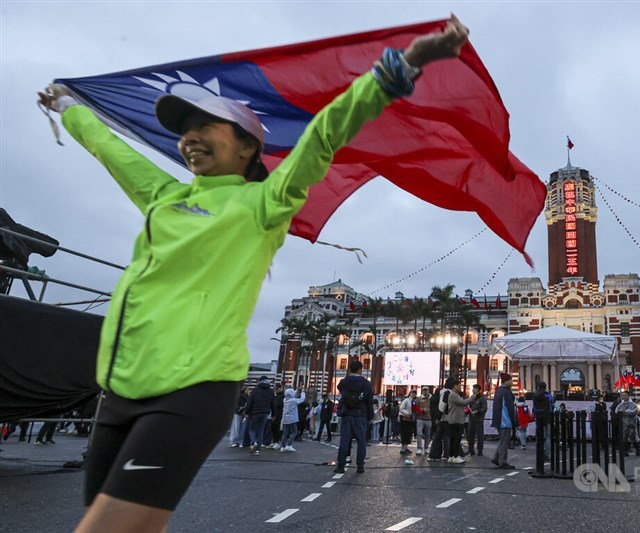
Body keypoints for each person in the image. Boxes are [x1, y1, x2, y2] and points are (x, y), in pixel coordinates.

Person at [38, 16, 468, 531]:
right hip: (118, 391)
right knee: (120, 524)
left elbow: (325, 133)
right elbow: (113, 152)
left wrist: (406, 63)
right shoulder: (165, 197)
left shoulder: (264, 203)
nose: (191, 138)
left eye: (206, 128)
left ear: (247, 146)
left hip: (192, 389)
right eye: (185, 131)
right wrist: (68, 108)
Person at [334, 359, 374, 474]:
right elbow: (369, 401)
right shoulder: (366, 384)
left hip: (347, 414)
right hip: (361, 415)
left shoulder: (344, 382)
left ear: (350, 369)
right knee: (361, 442)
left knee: (344, 441)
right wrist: (370, 416)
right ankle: (360, 466)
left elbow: (340, 389)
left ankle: (341, 465)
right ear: (360, 370)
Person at [445, 380, 474, 464]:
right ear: (454, 386)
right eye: (459, 385)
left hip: (454, 419)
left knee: (454, 439)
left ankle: (451, 456)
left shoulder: (454, 395)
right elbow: (463, 402)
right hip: (456, 420)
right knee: (456, 439)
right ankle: (455, 456)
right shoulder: (453, 395)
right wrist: (471, 398)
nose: (460, 387)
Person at [491, 372, 516, 469]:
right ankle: (503, 461)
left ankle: (497, 457)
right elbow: (510, 408)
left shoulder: (499, 391)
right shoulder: (507, 391)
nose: (512, 382)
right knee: (504, 441)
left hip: (499, 419)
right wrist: (514, 420)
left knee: (502, 440)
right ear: (506, 381)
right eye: (511, 380)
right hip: (505, 420)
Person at [244, 377, 274, 455]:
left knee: (252, 429)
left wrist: (246, 412)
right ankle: (257, 450)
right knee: (260, 431)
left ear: (260, 381)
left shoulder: (255, 390)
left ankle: (253, 442)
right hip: (265, 413)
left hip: (255, 412)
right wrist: (274, 414)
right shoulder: (271, 391)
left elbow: (250, 403)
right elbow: (273, 404)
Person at [532, 381, 554, 461]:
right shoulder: (548, 395)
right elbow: (552, 405)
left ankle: (539, 453)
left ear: (538, 387)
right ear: (545, 387)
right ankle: (547, 454)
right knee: (548, 436)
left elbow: (534, 407)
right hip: (547, 417)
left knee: (539, 436)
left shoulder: (534, 395)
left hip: (538, 417)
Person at [280, 386, 306, 452]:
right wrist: (302, 392)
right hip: (292, 419)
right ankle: (289, 445)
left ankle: (282, 446)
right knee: (294, 432)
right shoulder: (293, 400)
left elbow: (292, 394)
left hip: (285, 418)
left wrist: (297, 391)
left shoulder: (285, 400)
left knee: (285, 433)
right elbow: (301, 399)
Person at [615, 391, 640, 457]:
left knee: (634, 438)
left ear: (628, 396)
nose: (624, 397)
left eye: (625, 395)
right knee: (624, 438)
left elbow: (635, 411)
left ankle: (637, 449)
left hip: (632, 424)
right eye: (623, 395)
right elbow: (616, 410)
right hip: (624, 424)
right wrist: (621, 412)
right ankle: (625, 451)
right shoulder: (621, 404)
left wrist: (625, 412)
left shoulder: (633, 404)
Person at [466, 384, 487, 456]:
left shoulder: (482, 398)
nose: (473, 390)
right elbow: (469, 407)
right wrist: (466, 412)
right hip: (471, 419)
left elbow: (484, 408)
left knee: (479, 436)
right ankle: (470, 450)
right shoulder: (472, 398)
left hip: (479, 420)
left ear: (478, 389)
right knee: (470, 435)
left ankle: (480, 450)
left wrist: (477, 411)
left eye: (474, 388)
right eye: (473, 388)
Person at [415, 387, 432, 455]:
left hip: (428, 418)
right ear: (422, 391)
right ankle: (419, 448)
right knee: (419, 434)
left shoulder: (431, 399)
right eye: (424, 390)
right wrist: (421, 411)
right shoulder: (418, 399)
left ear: (428, 390)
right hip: (420, 418)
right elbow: (415, 407)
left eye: (426, 390)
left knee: (428, 434)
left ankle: (426, 447)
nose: (425, 392)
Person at [398, 390, 416, 455]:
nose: (413, 394)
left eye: (414, 393)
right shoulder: (406, 400)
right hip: (404, 418)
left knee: (408, 433)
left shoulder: (414, 401)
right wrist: (407, 413)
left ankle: (405, 448)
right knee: (404, 433)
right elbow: (401, 408)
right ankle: (403, 449)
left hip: (410, 419)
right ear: (410, 393)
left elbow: (415, 409)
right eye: (412, 393)